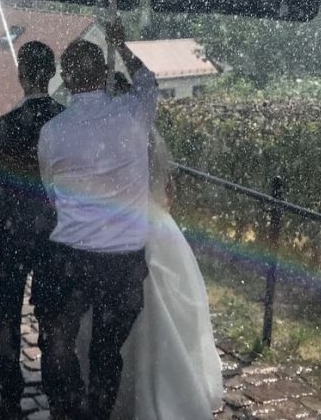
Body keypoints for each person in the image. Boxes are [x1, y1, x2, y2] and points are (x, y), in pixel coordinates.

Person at [74, 74, 225, 420]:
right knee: (160, 307)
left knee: (111, 312)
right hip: (154, 224)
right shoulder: (147, 137)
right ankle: (168, 389)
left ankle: (111, 391)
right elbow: (165, 188)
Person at [34, 19, 156, 420]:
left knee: (57, 340)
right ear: (105, 73)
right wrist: (121, 44)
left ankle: (67, 404)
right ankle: (97, 411)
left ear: (66, 79)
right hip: (124, 261)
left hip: (70, 257)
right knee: (106, 349)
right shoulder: (134, 113)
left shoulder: (53, 132)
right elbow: (148, 80)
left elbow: (51, 194)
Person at [0, 41, 65, 420]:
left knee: (8, 313)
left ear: (21, 75)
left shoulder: (6, 124)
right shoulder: (64, 120)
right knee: (52, 312)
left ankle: (10, 393)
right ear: (52, 74)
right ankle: (55, 387)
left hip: (13, 234)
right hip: (54, 234)